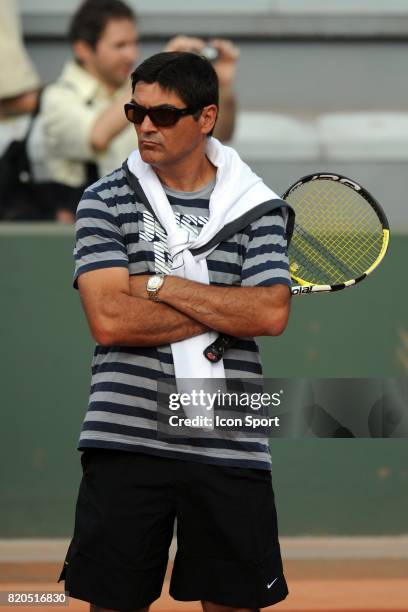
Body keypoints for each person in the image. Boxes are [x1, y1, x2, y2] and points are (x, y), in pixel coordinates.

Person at [59, 52, 293, 612]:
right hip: (125, 435)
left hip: (234, 431)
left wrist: (157, 285)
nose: (144, 127)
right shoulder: (102, 199)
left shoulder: (259, 207)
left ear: (206, 117)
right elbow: (109, 319)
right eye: (136, 111)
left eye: (162, 116)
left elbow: (270, 316)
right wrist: (225, 305)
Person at [40, 0, 239, 221]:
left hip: (149, 220)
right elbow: (97, 136)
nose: (131, 54)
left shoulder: (136, 89)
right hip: (85, 226)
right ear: (83, 49)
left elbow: (216, 134)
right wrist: (159, 72)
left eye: (135, 44)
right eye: (120, 45)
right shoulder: (57, 97)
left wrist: (223, 86)